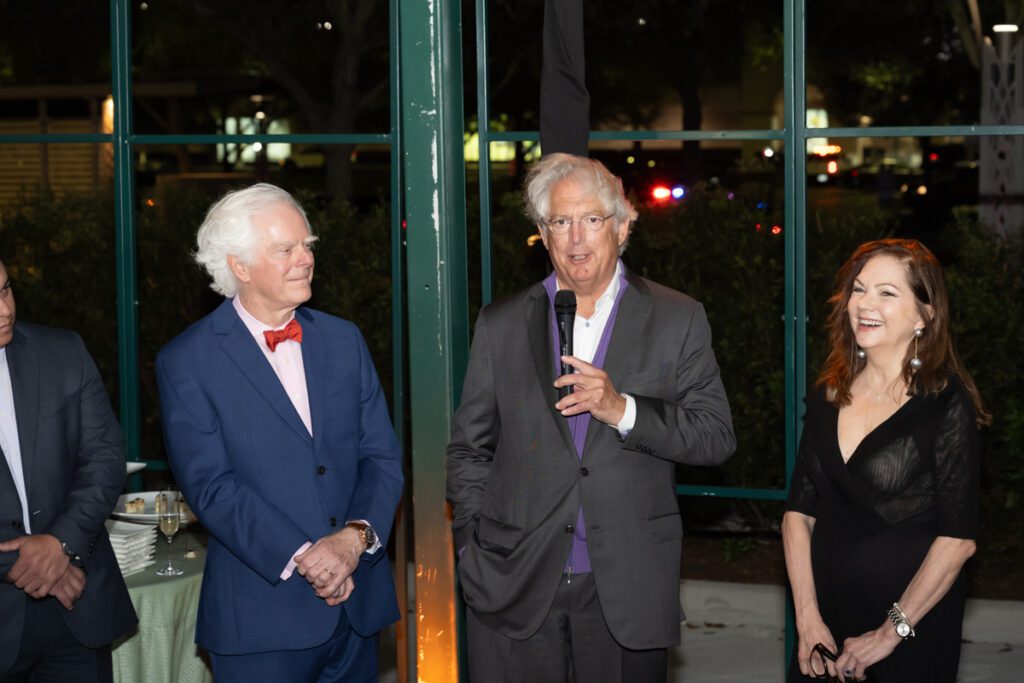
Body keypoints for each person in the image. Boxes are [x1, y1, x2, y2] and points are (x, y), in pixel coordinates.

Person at [446, 153, 736, 682]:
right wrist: (472, 545)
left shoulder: (677, 317)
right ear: (543, 232)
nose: (576, 238)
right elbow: (469, 449)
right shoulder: (501, 324)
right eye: (560, 222)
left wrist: (621, 410)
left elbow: (715, 437)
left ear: (622, 227)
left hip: (627, 586)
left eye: (591, 220)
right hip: (515, 584)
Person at [156, 183, 403, 682]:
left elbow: (382, 457)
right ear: (240, 267)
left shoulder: (342, 339)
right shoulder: (187, 361)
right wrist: (310, 556)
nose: (305, 259)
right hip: (259, 621)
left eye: (306, 245)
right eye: (285, 249)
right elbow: (211, 487)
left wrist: (354, 540)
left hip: (358, 608)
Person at [783, 239, 989, 682]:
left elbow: (958, 541)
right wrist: (806, 619)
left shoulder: (945, 404)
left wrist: (887, 634)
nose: (864, 304)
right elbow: (798, 514)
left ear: (924, 315)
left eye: (886, 293)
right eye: (858, 290)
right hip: (822, 628)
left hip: (910, 630)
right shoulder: (827, 396)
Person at [0, 259, 137, 681]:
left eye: (5, 290)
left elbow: (105, 457)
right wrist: (36, 564)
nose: (5, 310)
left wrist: (61, 544)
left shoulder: (61, 352)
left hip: (77, 615)